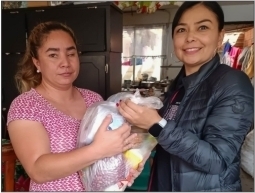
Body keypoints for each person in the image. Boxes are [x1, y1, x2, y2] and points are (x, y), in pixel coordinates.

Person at [118, 1, 254, 192]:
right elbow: (170, 137)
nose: (190, 37)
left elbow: (217, 161)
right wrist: (141, 139)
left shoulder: (232, 83)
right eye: (181, 30)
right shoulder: (179, 85)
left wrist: (156, 124)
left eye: (203, 27)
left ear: (220, 37)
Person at [7, 21, 146, 191]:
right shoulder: (26, 106)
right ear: (37, 63)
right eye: (53, 55)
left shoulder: (93, 99)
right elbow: (38, 170)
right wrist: (98, 150)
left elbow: (110, 152)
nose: (65, 62)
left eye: (71, 54)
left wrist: (127, 164)